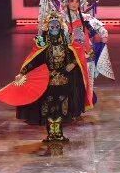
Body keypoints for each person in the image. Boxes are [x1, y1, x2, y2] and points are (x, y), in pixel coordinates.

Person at [7, 14, 90, 145]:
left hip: (64, 82)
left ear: (61, 27)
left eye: (57, 26)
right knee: (49, 108)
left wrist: (73, 65)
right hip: (48, 82)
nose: (54, 29)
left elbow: (77, 56)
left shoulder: (67, 44)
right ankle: (51, 134)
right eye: (52, 26)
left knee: (62, 108)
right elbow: (33, 61)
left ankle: (59, 134)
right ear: (47, 28)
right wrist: (22, 72)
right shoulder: (43, 45)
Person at [56, 0, 113, 104]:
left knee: (87, 81)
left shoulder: (86, 17)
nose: (74, 4)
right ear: (67, 2)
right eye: (72, 1)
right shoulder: (61, 18)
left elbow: (101, 27)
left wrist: (104, 35)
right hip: (69, 54)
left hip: (86, 53)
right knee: (68, 82)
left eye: (77, 1)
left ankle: (84, 103)